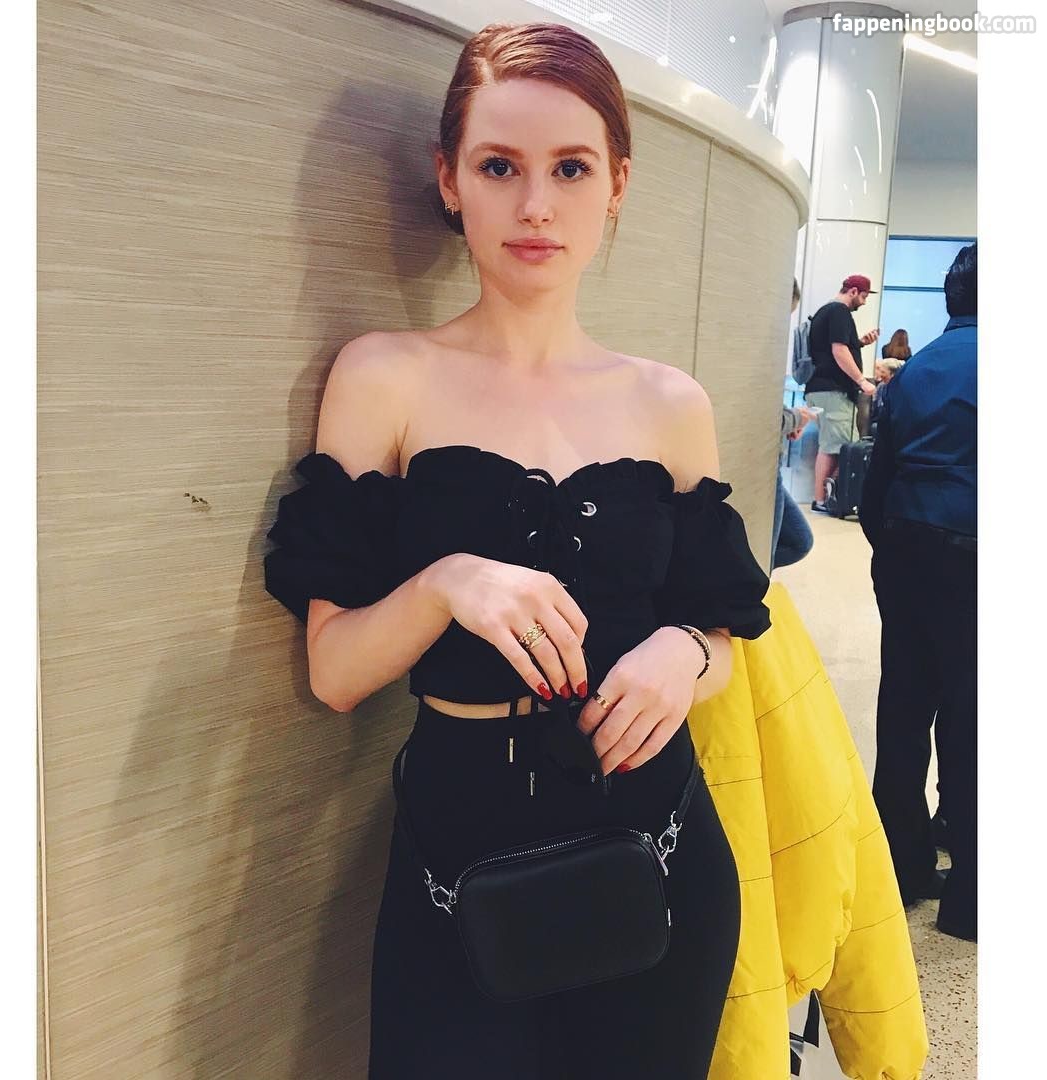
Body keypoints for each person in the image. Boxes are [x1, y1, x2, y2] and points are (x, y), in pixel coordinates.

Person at [263, 22, 772, 1078]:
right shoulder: (385, 376)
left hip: (658, 853)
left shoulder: (670, 402)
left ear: (617, 184)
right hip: (460, 864)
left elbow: (721, 638)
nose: (536, 205)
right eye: (500, 166)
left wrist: (686, 651)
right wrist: (447, 583)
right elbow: (334, 672)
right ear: (450, 179)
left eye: (570, 168)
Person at [859, 242, 977, 942]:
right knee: (974, 718)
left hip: (907, 548)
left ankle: (899, 869)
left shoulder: (918, 367)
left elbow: (876, 483)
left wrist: (893, 551)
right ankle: (971, 899)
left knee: (904, 706)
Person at [804, 274, 880, 512]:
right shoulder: (839, 312)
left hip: (821, 388)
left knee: (833, 444)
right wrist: (861, 381)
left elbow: (833, 348)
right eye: (864, 296)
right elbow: (838, 350)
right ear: (853, 291)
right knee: (838, 446)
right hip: (833, 390)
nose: (864, 302)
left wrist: (859, 343)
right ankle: (823, 500)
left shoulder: (824, 312)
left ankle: (827, 498)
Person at [771, 278, 814, 571]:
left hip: (767, 465)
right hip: (763, 469)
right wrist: (797, 418)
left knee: (798, 541)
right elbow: (766, 417)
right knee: (780, 546)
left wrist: (791, 419)